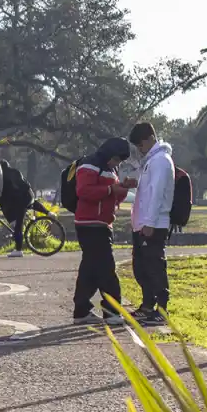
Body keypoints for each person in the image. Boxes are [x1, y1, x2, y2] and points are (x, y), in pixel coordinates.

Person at [72, 137, 135, 325]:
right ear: (109, 153)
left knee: (90, 270)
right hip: (90, 223)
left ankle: (81, 310)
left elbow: (114, 198)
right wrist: (110, 189)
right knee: (106, 268)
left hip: (102, 222)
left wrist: (122, 188)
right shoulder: (89, 165)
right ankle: (112, 311)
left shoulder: (110, 169)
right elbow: (83, 190)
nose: (118, 163)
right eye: (116, 159)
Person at [128, 122, 175, 326]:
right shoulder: (150, 161)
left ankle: (162, 309)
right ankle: (147, 305)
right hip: (143, 223)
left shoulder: (161, 161)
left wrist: (149, 222)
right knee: (141, 267)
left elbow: (156, 194)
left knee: (155, 266)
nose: (140, 149)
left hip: (154, 224)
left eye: (140, 145)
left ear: (150, 138)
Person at [0, 159, 49, 258]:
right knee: (30, 204)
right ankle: (48, 212)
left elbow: (3, 195)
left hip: (20, 200)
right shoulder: (15, 171)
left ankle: (18, 249)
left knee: (18, 225)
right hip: (28, 195)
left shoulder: (2, 176)